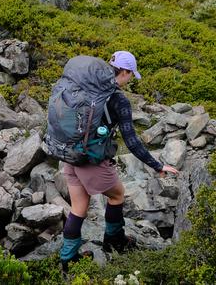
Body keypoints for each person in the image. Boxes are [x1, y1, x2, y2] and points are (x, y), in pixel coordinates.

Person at [59, 50, 179, 270]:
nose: (131, 78)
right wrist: (157, 166)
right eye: (131, 74)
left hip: (69, 154)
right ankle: (114, 241)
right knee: (117, 195)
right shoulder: (118, 99)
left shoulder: (86, 86)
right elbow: (131, 141)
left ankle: (67, 260)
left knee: (78, 206)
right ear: (123, 71)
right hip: (90, 160)